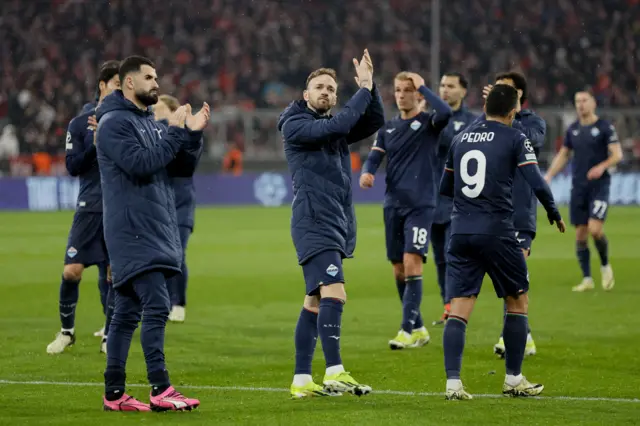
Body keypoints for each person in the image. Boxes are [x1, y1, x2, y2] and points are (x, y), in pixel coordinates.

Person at [96, 55, 207, 411]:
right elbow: (140, 164)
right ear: (129, 83)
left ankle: (114, 394)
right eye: (149, 77)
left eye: (156, 76)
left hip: (152, 226)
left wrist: (191, 134)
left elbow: (180, 167)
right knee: (158, 303)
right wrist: (173, 131)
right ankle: (161, 388)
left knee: (126, 314)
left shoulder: (147, 121)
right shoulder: (114, 123)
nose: (156, 83)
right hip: (133, 229)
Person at [440, 84, 565, 400]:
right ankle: (513, 378)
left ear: (484, 108)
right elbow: (535, 180)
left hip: (461, 232)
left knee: (459, 308)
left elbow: (445, 187)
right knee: (517, 301)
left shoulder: (460, 138)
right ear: (513, 111)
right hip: (497, 231)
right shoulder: (514, 137)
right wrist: (553, 212)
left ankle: (453, 383)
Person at [277, 49, 384, 399]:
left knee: (314, 302)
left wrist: (371, 87)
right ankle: (335, 371)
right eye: (319, 87)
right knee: (335, 293)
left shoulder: (329, 127)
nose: (325, 92)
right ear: (306, 94)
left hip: (333, 221)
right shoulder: (296, 124)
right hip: (314, 219)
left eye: (331, 89)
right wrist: (363, 89)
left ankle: (302, 379)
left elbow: (372, 121)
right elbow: (340, 124)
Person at [359, 71, 452, 349]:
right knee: (399, 270)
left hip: (421, 205)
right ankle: (420, 327)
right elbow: (373, 158)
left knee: (412, 262)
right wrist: (367, 173)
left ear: (418, 95)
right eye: (398, 90)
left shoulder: (428, 124)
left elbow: (446, 112)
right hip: (393, 205)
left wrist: (424, 84)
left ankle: (405, 329)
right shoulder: (387, 129)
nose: (401, 95)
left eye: (407, 90)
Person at [46, 60, 120, 355]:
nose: (121, 89)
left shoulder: (126, 121)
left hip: (117, 206)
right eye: (116, 83)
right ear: (103, 85)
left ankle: (110, 335)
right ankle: (67, 332)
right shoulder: (79, 124)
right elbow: (73, 166)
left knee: (114, 275)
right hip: (89, 207)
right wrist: (95, 141)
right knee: (71, 271)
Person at [482, 72, 546, 358]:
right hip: (493, 210)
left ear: (519, 95)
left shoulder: (533, 123)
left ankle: (518, 336)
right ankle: (523, 334)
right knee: (503, 276)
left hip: (519, 211)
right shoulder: (487, 123)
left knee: (514, 275)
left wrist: (508, 115)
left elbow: (530, 141)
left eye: (505, 90)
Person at [545, 90, 622, 292]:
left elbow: (617, 155)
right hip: (578, 187)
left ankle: (605, 266)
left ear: (593, 103)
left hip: (599, 187)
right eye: (577, 101)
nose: (580, 104)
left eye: (584, 100)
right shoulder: (573, 130)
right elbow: (563, 155)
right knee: (580, 235)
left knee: (595, 230)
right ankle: (587, 279)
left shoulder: (604, 127)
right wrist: (549, 176)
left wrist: (601, 166)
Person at [430, 72, 478, 326]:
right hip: (433, 200)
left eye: (450, 86)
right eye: (442, 85)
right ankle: (448, 305)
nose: (445, 90)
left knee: (454, 257)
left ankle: (458, 306)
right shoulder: (433, 120)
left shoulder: (474, 122)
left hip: (461, 203)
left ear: (463, 91)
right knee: (439, 259)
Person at [153, 94, 202, 322]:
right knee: (158, 256)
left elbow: (188, 162)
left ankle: (178, 302)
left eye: (159, 108)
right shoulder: (153, 134)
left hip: (181, 204)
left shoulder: (182, 134)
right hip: (158, 203)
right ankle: (161, 301)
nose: (155, 111)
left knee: (177, 253)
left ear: (173, 110)